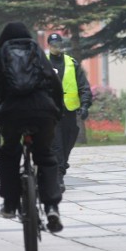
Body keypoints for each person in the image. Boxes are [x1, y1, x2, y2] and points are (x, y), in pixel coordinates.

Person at [0, 22, 65, 233]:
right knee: (46, 156)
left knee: (9, 153)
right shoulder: (36, 51)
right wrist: (58, 109)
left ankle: (10, 204)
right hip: (42, 111)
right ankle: (51, 208)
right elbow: (54, 81)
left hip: (12, 113)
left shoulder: (3, 53)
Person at [46, 33, 92, 193]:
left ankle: (61, 166)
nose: (56, 47)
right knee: (56, 144)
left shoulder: (72, 63)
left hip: (70, 111)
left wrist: (85, 105)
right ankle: (58, 177)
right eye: (53, 44)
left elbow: (83, 86)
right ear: (49, 46)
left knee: (67, 142)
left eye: (58, 44)